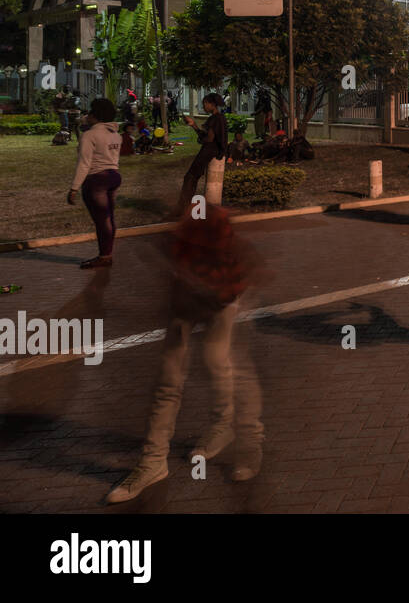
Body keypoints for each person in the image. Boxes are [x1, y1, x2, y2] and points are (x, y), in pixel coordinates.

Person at [105, 206, 264, 503]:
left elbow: (233, 286)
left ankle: (246, 443)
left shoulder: (230, 253)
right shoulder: (180, 239)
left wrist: (208, 290)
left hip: (222, 301)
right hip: (185, 303)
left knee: (222, 363)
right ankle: (153, 463)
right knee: (168, 380)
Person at [66, 97, 122, 269]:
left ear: (95, 115)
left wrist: (74, 188)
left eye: (90, 112)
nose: (87, 115)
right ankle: (107, 254)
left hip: (97, 180)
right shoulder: (116, 135)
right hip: (113, 176)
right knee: (109, 218)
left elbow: (84, 163)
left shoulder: (90, 135)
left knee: (102, 220)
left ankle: (104, 256)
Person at [178, 93, 228, 211]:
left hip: (210, 150)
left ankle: (183, 207)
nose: (203, 106)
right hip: (211, 149)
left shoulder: (216, 118)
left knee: (190, 177)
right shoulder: (217, 118)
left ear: (212, 104)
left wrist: (202, 138)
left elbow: (209, 139)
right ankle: (184, 206)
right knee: (192, 176)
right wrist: (194, 125)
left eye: (205, 103)